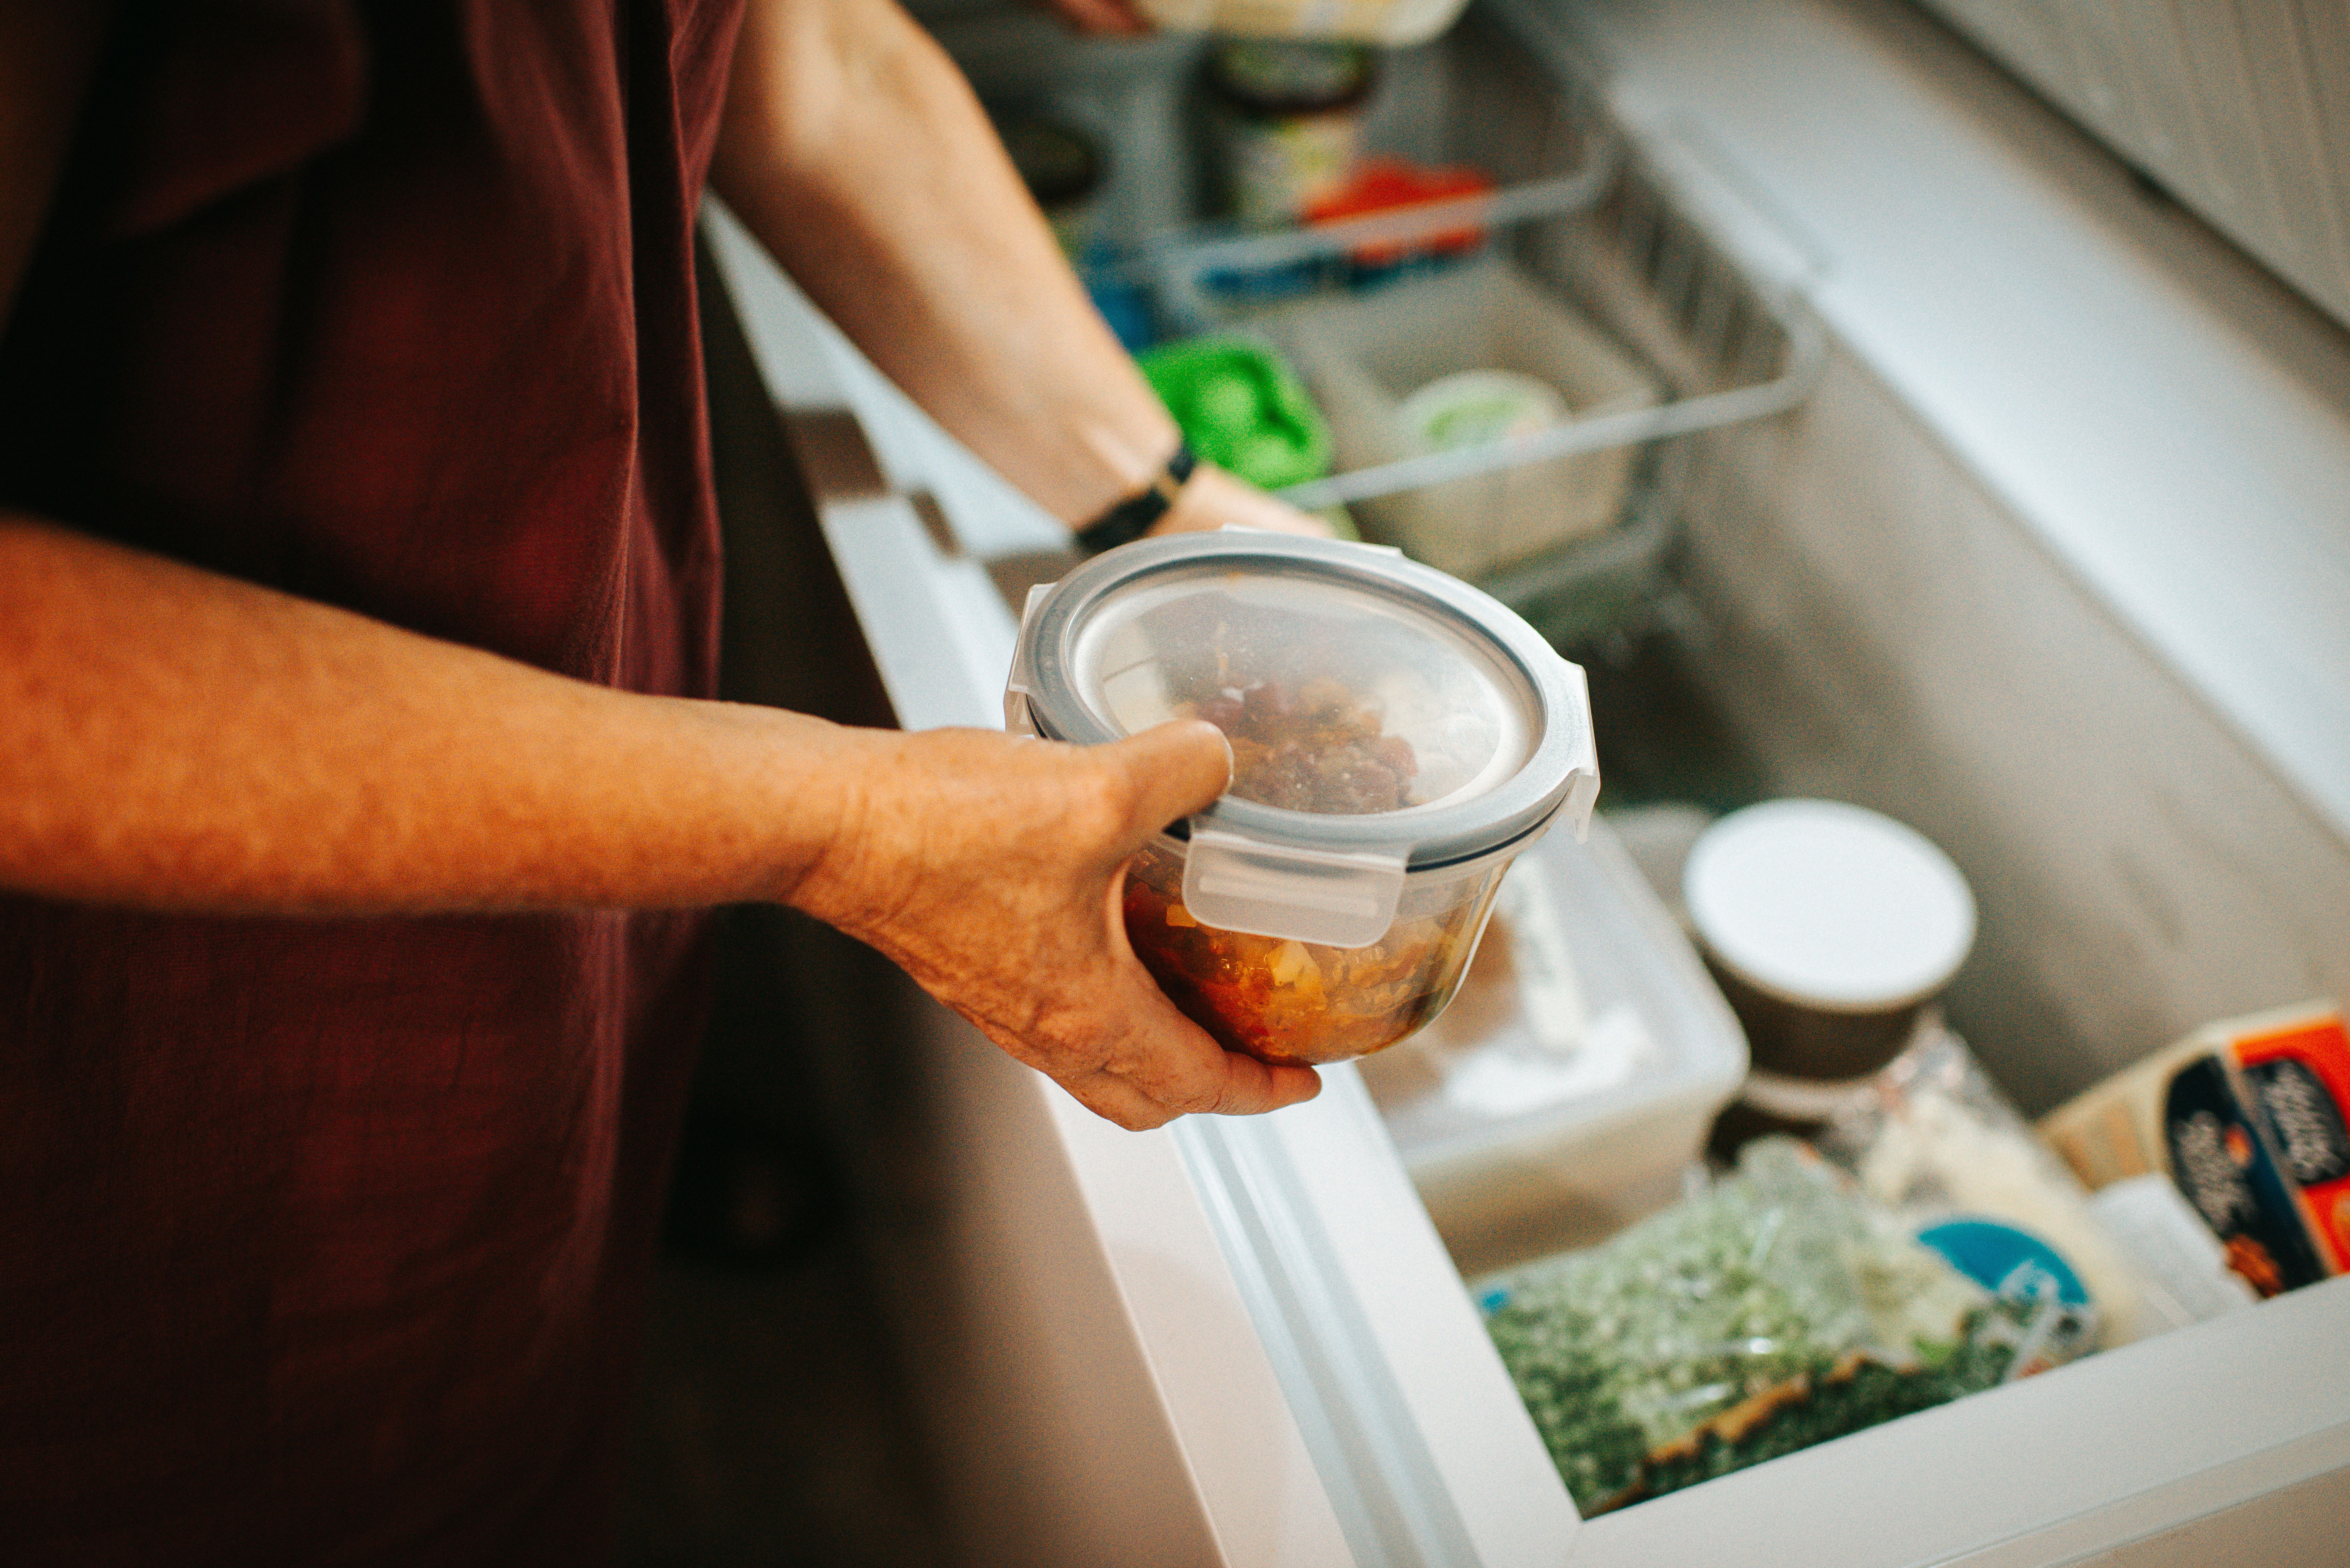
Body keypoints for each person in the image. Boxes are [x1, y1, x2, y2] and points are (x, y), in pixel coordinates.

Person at [0, 0, 1322, 1559]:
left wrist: (1167, 505)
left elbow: (807, 63)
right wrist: (848, 827)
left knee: (525, 1341)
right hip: (165, 1052)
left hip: (546, 823)